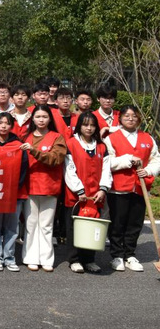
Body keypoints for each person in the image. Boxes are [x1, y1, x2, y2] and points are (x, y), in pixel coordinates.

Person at [103, 106, 160, 272]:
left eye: (134, 116)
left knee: (135, 223)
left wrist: (148, 171)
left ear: (138, 118)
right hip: (118, 188)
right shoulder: (111, 138)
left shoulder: (147, 138)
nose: (130, 118)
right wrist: (127, 160)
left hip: (140, 187)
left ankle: (130, 254)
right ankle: (117, 255)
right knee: (118, 222)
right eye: (126, 116)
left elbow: (156, 160)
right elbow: (107, 162)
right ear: (120, 118)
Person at [21, 104, 67, 272]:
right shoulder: (25, 137)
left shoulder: (57, 137)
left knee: (46, 225)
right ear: (32, 119)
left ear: (50, 119)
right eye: (38, 117)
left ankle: (46, 258)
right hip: (29, 186)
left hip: (49, 186)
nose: (41, 120)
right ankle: (31, 257)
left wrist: (34, 151)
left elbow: (56, 158)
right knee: (31, 223)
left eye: (44, 117)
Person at [64, 112, 111, 274]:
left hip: (95, 195)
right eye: (85, 125)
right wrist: (79, 189)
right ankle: (74, 259)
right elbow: (69, 169)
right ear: (79, 126)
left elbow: (106, 169)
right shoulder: (71, 143)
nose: (89, 128)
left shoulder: (101, 146)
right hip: (76, 195)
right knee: (74, 227)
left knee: (92, 226)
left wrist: (103, 188)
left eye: (92, 125)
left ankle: (89, 259)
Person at [0, 112, 28, 272]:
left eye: (7, 123)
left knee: (12, 227)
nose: (3, 126)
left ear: (12, 126)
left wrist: (14, 187)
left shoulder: (18, 145)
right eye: (0, 123)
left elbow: (23, 168)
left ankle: (9, 257)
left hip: (15, 192)